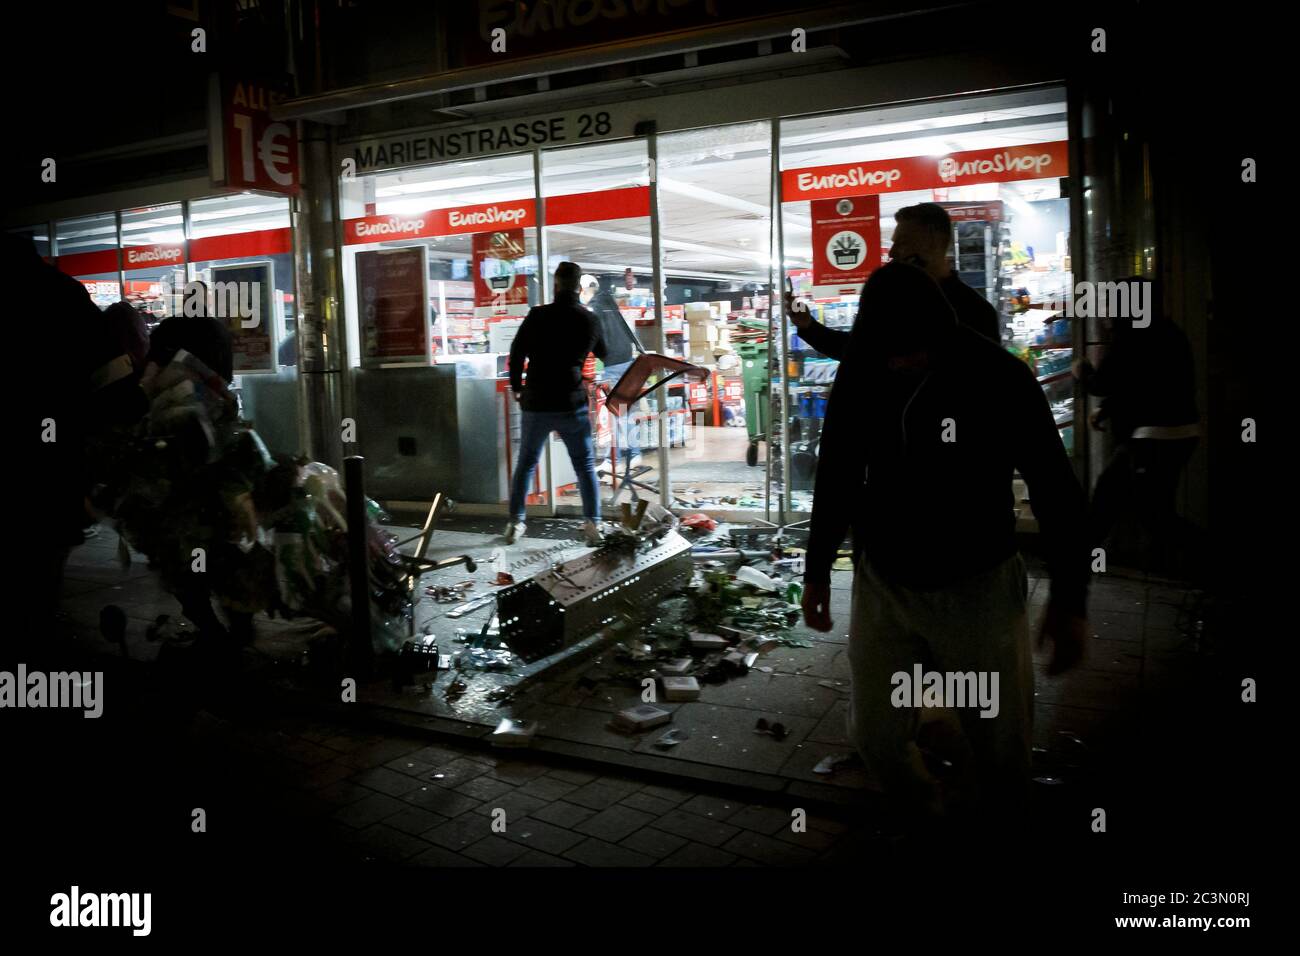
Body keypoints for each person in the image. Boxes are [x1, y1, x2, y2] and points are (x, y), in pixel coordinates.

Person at [802, 260, 1090, 838]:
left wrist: (1070, 599)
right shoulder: (864, 367)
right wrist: (815, 571)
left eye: (911, 352)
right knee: (876, 735)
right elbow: (837, 474)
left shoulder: (998, 375)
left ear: (942, 333)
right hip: (884, 580)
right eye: (889, 353)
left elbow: (1055, 489)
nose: (899, 363)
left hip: (978, 582)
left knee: (1000, 745)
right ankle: (927, 814)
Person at [1072, 278, 1201, 577]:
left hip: (1150, 438)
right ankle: (1174, 568)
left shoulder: (1130, 337)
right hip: (1181, 434)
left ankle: (1216, 560)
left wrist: (1082, 371)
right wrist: (1106, 410)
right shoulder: (1170, 332)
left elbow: (1104, 383)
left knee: (1117, 500)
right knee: (1152, 508)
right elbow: (1146, 384)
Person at [790, 202, 1001, 357]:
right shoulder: (891, 302)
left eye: (902, 243)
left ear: (933, 242)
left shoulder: (975, 312)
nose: (891, 253)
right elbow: (856, 350)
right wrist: (809, 326)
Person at [505, 261, 607, 547]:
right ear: (579, 287)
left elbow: (517, 352)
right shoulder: (589, 319)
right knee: (585, 466)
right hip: (571, 402)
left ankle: (515, 523)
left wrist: (516, 387)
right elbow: (605, 351)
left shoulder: (537, 316)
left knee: (526, 464)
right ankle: (592, 524)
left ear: (556, 285)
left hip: (536, 401)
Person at [581, 276, 644, 474]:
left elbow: (592, 339)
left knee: (613, 416)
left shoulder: (594, 309)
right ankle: (634, 455)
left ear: (584, 290)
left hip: (613, 365)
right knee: (627, 411)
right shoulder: (610, 303)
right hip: (628, 362)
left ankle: (612, 460)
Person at [143, 280, 234, 385]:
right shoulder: (220, 330)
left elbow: (151, 359)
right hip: (211, 398)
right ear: (207, 301)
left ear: (184, 301)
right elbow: (227, 376)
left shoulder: (168, 326)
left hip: (172, 396)